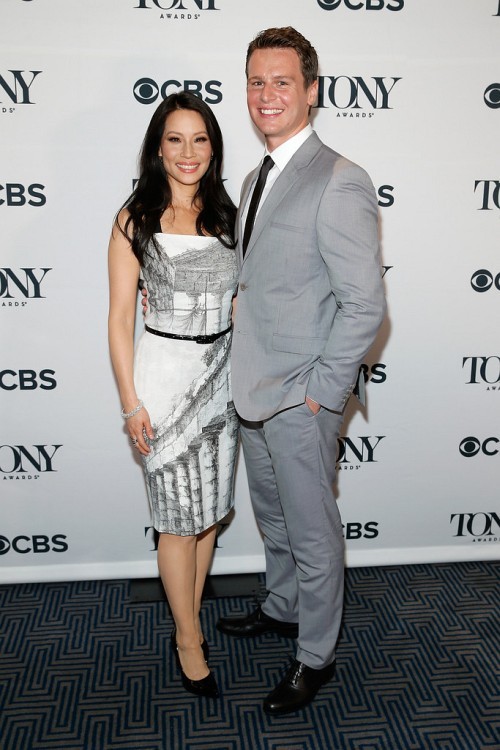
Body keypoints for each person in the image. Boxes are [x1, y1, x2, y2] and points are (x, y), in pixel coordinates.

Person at [216, 27, 387, 714]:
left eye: (282, 81)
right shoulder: (259, 176)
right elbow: (258, 282)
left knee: (313, 532)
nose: (267, 94)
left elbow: (365, 304)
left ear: (312, 92)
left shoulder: (342, 179)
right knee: (276, 519)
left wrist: (320, 394)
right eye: (257, 80)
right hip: (251, 385)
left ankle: (314, 655)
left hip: (299, 397)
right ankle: (283, 607)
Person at [108, 91, 238, 700]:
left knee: (209, 514)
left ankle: (188, 619)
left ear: (213, 150)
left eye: (200, 140)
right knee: (176, 524)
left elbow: (242, 304)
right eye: (176, 139)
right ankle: (188, 638)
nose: (188, 153)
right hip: (164, 380)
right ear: (157, 148)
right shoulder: (134, 218)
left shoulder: (228, 215)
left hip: (224, 379)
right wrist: (132, 403)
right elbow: (117, 320)